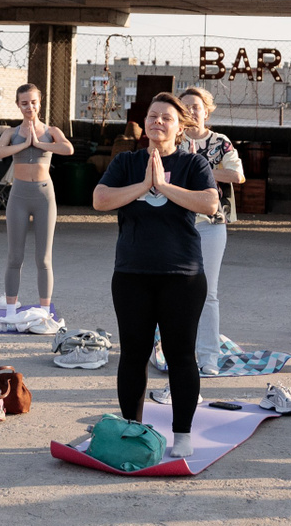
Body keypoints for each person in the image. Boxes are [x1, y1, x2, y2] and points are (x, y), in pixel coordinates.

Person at [93, 92, 219, 458]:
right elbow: (100, 200)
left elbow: (210, 203)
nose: (157, 121)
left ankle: (183, 434)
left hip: (182, 276)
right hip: (132, 273)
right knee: (133, 354)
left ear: (180, 127)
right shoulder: (127, 161)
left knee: (181, 355)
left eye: (166, 117)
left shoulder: (193, 163)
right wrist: (143, 185)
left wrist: (162, 187)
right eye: (152, 115)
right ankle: (131, 430)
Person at [177, 85, 246, 375]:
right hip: (175, 222)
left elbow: (237, 175)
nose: (192, 111)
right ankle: (177, 353)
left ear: (207, 111)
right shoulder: (172, 139)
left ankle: (208, 357)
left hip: (212, 224)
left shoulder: (220, 142)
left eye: (197, 106)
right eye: (185, 107)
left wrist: (200, 166)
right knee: (173, 289)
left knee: (208, 291)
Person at [0, 83, 73, 312]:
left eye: (33, 102)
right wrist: (24, 145)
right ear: (18, 105)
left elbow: (68, 149)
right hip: (19, 195)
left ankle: (44, 311)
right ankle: (10, 310)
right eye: (24, 103)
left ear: (39, 103)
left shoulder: (51, 131)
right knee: (15, 257)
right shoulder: (11, 133)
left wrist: (39, 144)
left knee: (43, 258)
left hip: (44, 195)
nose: (29, 107)